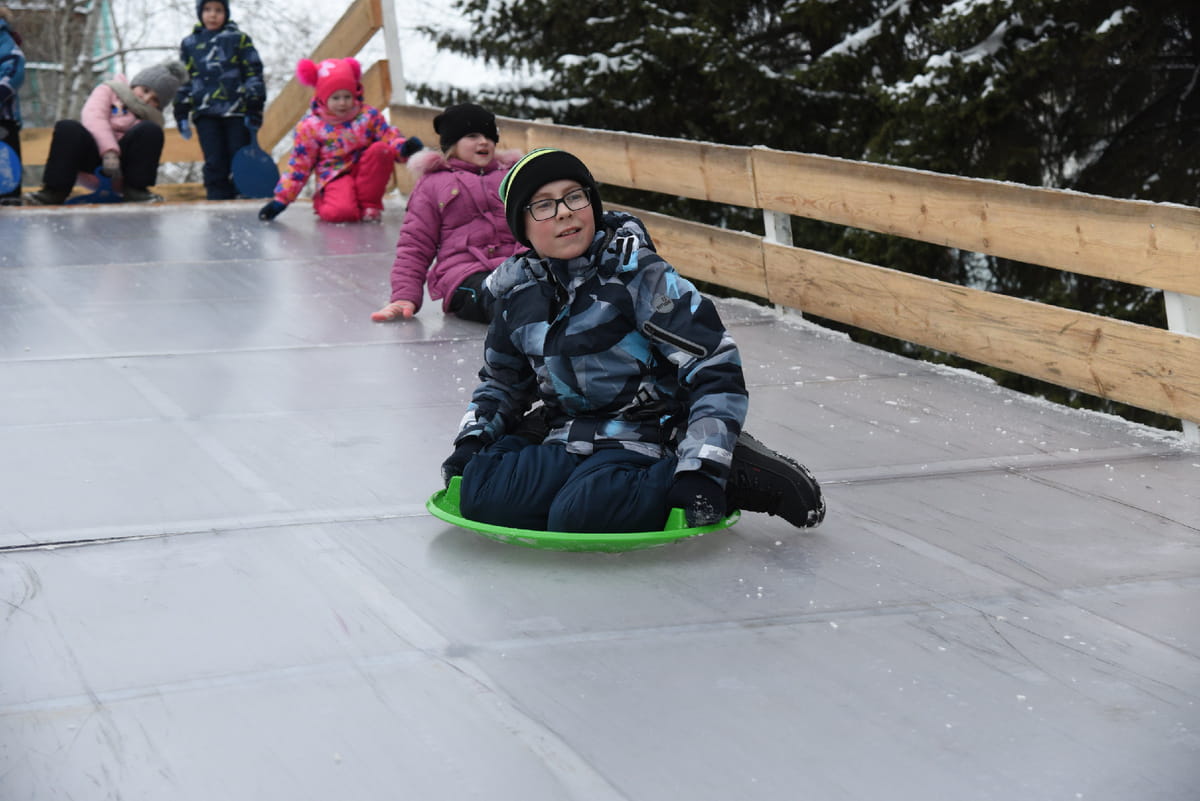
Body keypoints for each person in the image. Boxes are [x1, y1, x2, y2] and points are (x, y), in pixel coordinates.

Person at [440, 147, 826, 534]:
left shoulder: (640, 276)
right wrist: (472, 440)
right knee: (483, 496)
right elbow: (502, 382)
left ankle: (731, 470)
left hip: (648, 434)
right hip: (563, 433)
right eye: (542, 205)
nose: (563, 211)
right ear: (521, 227)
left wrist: (704, 469)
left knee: (582, 515)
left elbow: (715, 368)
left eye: (575, 196)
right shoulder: (518, 292)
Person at [372, 103, 522, 323]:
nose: (483, 141)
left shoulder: (512, 176)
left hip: (515, 267)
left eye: (489, 136)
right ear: (452, 143)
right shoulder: (433, 184)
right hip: (464, 275)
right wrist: (405, 296)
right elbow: (415, 244)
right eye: (472, 136)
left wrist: (527, 259)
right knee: (496, 296)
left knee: (536, 289)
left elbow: (534, 224)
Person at [258, 57, 422, 224]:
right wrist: (282, 200)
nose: (342, 103)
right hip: (334, 175)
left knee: (381, 150)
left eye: (347, 96)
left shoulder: (367, 116)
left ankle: (368, 205)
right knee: (342, 214)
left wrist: (404, 149)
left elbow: (389, 138)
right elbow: (300, 164)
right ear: (323, 98)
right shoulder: (311, 127)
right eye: (335, 98)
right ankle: (331, 202)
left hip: (365, 171)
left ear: (355, 93)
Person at [23, 60, 187, 205]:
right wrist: (109, 151)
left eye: (154, 99)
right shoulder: (109, 90)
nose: (145, 99)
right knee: (68, 128)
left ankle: (136, 191)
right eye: (145, 90)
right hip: (93, 159)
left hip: (123, 172)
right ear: (135, 84)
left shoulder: (152, 119)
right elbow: (94, 118)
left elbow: (143, 149)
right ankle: (54, 192)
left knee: (150, 131)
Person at [174, 0, 266, 200]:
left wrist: (255, 102)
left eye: (218, 10)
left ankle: (245, 196)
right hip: (205, 112)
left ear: (226, 13)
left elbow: (253, 71)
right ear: (200, 13)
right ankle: (217, 200)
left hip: (237, 110)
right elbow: (184, 78)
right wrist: (181, 109)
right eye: (207, 10)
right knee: (214, 160)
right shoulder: (189, 43)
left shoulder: (239, 39)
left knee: (239, 155)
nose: (212, 15)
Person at [0, 6, 25, 205]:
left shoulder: (4, 39)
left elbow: (15, 66)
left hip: (3, 117)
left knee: (6, 160)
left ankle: (9, 195)